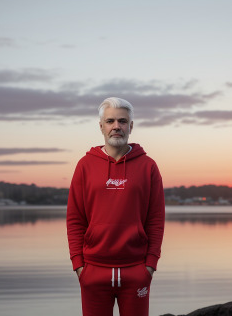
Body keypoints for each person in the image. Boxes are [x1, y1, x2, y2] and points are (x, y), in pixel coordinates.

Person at [66, 97, 165, 316]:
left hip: (136, 270)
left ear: (131, 126)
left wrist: (150, 265)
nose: (116, 126)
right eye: (110, 121)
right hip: (93, 270)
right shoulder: (85, 165)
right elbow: (75, 219)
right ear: (101, 126)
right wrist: (79, 266)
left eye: (122, 121)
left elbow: (156, 220)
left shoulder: (148, 166)